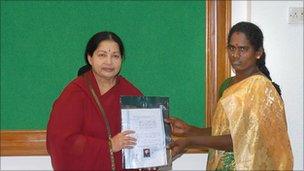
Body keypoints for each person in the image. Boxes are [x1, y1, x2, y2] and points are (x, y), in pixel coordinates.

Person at [167, 22, 293, 170]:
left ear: (258, 52)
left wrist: (191, 141)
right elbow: (223, 131)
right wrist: (189, 130)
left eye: (243, 49)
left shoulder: (263, 89)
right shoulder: (227, 85)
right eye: (232, 48)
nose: (235, 55)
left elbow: (244, 140)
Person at [47, 31, 143, 170]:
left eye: (115, 56)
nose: (109, 62)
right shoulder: (75, 93)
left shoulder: (131, 94)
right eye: (102, 55)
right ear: (90, 58)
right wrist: (109, 146)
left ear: (121, 59)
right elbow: (62, 142)